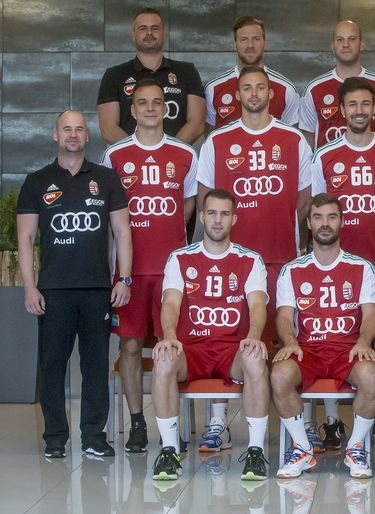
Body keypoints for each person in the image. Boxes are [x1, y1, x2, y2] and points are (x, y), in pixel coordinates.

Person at [196, 65, 312, 450]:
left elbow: (305, 200)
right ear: (238, 94)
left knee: (294, 339)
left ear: (271, 93)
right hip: (233, 264)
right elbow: (205, 198)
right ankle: (218, 422)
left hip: (282, 259)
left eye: (260, 87)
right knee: (224, 339)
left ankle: (305, 422)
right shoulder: (217, 141)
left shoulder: (293, 139)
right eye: (247, 88)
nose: (254, 94)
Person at [16, 110, 131, 458]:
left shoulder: (106, 179)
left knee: (95, 366)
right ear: (55, 135)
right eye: (67, 129)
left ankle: (94, 437)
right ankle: (55, 438)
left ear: (86, 136)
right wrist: (30, 286)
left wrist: (124, 278)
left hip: (97, 289)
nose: (73, 134)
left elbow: (122, 231)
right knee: (52, 366)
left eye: (79, 129)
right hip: (53, 290)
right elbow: (25, 239)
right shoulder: (36, 181)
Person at [311, 76, 375, 452]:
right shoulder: (324, 156)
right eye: (352, 104)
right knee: (330, 339)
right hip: (334, 268)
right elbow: (316, 209)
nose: (359, 111)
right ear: (341, 110)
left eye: (365, 104)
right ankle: (332, 422)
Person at [100, 79, 198, 453]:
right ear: (133, 110)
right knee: (129, 346)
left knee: (172, 347)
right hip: (130, 271)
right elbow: (110, 214)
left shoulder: (184, 153)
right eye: (143, 102)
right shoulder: (114, 156)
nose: (151, 108)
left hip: (171, 270)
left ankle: (171, 426)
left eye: (157, 102)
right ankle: (138, 423)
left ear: (166, 108)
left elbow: (189, 204)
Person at [149, 189, 270, 481]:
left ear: (234, 219)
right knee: (163, 360)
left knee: (255, 359)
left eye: (224, 214)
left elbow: (257, 304)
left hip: (231, 351)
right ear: (202, 216)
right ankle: (169, 451)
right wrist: (168, 335)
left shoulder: (250, 259)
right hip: (191, 350)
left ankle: (255, 452)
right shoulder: (180, 258)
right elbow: (171, 302)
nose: (217, 220)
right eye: (212, 213)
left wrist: (254, 335)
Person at [271, 194, 375, 479]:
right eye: (318, 217)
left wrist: (363, 341)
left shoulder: (362, 267)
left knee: (372, 375)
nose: (325, 223)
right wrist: (290, 341)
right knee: (280, 375)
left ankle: (355, 448)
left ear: (342, 222)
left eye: (332, 217)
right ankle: (302, 448)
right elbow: (284, 316)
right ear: (309, 223)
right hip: (307, 348)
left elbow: (371, 313)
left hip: (348, 348)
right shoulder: (292, 270)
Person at [97, 8, 204, 144]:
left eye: (155, 28)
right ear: (133, 34)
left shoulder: (187, 71)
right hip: (129, 157)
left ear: (164, 33)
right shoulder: (114, 75)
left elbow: (197, 123)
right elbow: (108, 128)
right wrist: (137, 153)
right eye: (143, 28)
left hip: (176, 156)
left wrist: (172, 151)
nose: (149, 33)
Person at [301, 20, 375, 148]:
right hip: (328, 161)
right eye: (340, 39)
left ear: (362, 44)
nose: (346, 45)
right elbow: (307, 136)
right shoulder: (314, 89)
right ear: (332, 45)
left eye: (352, 39)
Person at [204, 16, 300, 132]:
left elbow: (291, 135)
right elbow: (210, 135)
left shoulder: (286, 89)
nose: (250, 45)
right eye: (244, 39)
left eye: (256, 39)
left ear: (265, 43)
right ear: (234, 44)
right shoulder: (213, 88)